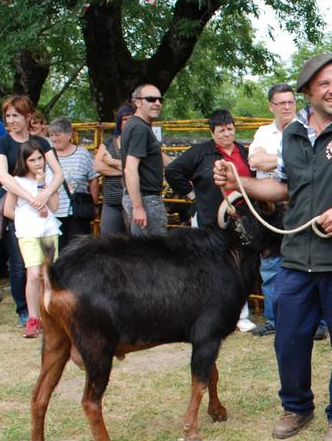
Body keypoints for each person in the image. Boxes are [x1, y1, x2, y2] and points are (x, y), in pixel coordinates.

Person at [213, 52, 332, 441]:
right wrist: (238, 180)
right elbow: (283, 188)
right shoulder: (292, 134)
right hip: (297, 256)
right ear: (307, 92)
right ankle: (297, 407)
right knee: (289, 338)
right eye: (324, 84)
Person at [165, 108, 257, 332]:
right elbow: (173, 170)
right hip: (209, 217)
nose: (227, 134)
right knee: (208, 265)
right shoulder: (200, 152)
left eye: (230, 129)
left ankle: (240, 315)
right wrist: (192, 195)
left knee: (238, 264)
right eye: (221, 130)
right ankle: (207, 312)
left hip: (240, 218)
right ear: (212, 132)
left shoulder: (243, 152)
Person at [0, 95, 64, 326]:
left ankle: (47, 312)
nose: (11, 120)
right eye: (7, 115)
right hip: (21, 208)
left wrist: (44, 195)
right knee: (21, 264)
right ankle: (24, 310)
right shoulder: (3, 142)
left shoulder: (41, 143)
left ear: (28, 116)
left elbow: (58, 173)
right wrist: (31, 198)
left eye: (15, 115)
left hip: (43, 212)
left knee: (46, 269)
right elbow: (3, 176)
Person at [247, 84, 295, 338]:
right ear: (271, 106)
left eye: (290, 102)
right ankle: (274, 319)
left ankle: (317, 323)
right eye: (282, 103)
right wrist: (290, 158)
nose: (287, 107)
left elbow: (309, 161)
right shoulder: (263, 132)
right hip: (268, 206)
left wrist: (274, 159)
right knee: (270, 264)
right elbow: (255, 160)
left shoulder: (305, 129)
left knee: (307, 262)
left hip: (299, 204)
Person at [4, 142, 61, 338]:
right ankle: (33, 317)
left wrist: (44, 184)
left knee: (48, 275)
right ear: (24, 161)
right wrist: (27, 217)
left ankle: (49, 316)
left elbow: (54, 207)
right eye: (32, 160)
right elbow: (8, 210)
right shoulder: (16, 182)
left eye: (40, 159)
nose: (37, 163)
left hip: (49, 231)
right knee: (34, 273)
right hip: (28, 232)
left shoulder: (50, 179)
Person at [122, 84, 167, 236]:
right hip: (146, 199)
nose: (157, 103)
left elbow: (159, 157)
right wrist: (138, 207)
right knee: (153, 254)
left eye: (160, 100)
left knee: (144, 252)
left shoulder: (137, 125)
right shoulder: (140, 128)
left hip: (142, 198)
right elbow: (130, 169)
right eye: (151, 99)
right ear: (138, 102)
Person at [48, 117, 99, 248]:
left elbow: (93, 179)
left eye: (57, 135)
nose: (53, 139)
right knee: (57, 250)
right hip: (53, 211)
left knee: (79, 249)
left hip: (78, 211)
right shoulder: (47, 155)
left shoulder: (82, 153)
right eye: (51, 135)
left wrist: (93, 203)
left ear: (69, 135)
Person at [93, 104, 134, 236]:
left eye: (132, 119)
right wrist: (126, 170)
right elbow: (97, 167)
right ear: (119, 122)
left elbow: (140, 167)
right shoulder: (109, 142)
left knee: (136, 243)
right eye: (125, 119)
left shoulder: (139, 141)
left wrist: (110, 162)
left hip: (134, 201)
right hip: (111, 201)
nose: (128, 122)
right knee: (109, 242)